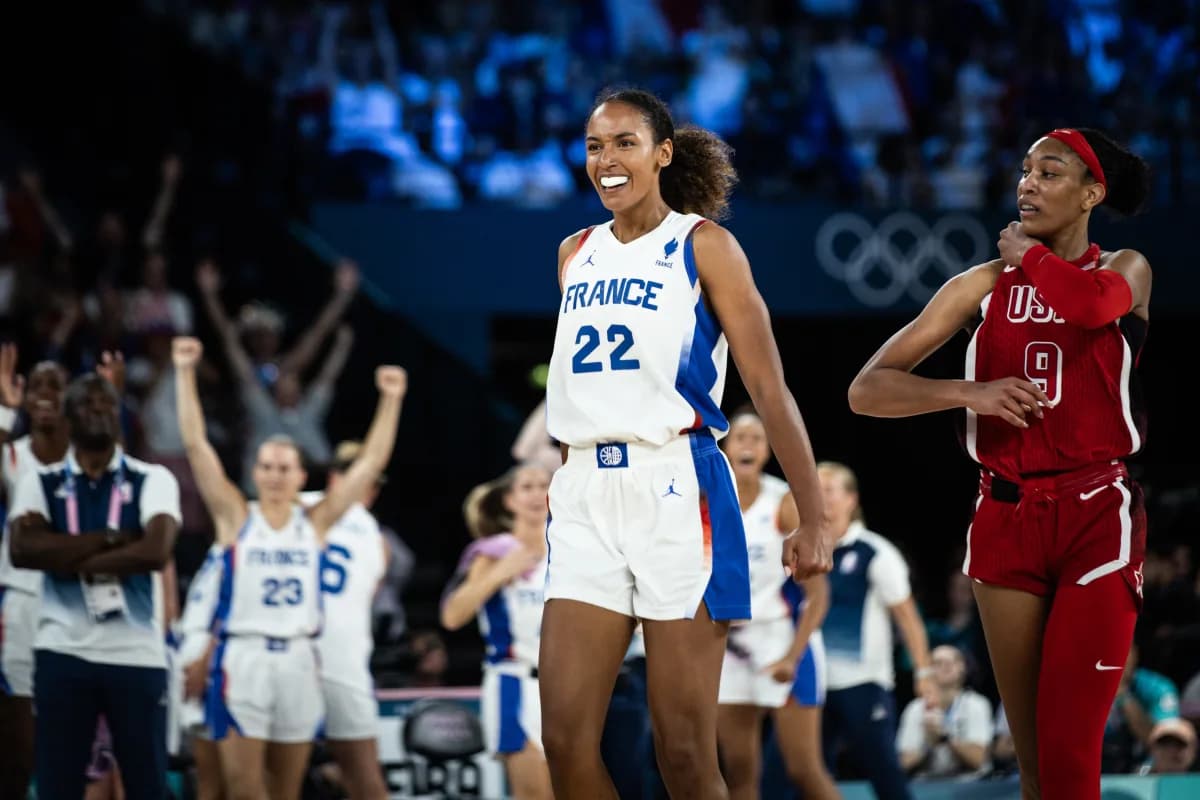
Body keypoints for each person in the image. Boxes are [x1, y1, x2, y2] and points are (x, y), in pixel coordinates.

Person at [538, 87, 830, 800]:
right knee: (566, 742)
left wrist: (814, 515)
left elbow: (768, 386)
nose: (606, 160)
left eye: (625, 143)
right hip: (581, 490)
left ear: (663, 153)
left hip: (678, 488)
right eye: (594, 146)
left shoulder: (705, 245)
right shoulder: (574, 252)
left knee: (685, 751)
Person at [848, 127, 1152, 799]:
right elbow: (866, 390)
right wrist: (968, 391)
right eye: (1025, 171)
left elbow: (1088, 305)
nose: (1028, 184)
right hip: (1005, 513)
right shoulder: (980, 286)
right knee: (1036, 764)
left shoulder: (1124, 269)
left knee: (1072, 755)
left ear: (1091, 193)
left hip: (1096, 514)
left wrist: (1026, 256)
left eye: (1049, 173)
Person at [172, 336, 405, 800]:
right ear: (254, 472)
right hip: (244, 658)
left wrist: (391, 399)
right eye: (267, 466)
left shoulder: (315, 522)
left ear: (302, 476)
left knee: (285, 790)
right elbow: (197, 445)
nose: (275, 474)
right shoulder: (237, 517)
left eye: (284, 467)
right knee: (244, 790)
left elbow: (371, 463)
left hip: (300, 658)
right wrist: (183, 373)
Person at [9, 372, 182, 800]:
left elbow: (155, 552)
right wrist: (110, 539)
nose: (100, 411)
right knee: (57, 787)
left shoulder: (153, 478)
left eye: (107, 402)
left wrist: (66, 557)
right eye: (87, 404)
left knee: (147, 787)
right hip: (63, 651)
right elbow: (23, 551)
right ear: (68, 419)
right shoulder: (41, 481)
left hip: (136, 654)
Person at [715, 410, 838, 800]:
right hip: (731, 647)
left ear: (767, 452)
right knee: (738, 775)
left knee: (803, 770)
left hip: (784, 639)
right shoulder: (707, 498)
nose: (748, 445)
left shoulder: (781, 501)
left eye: (757, 439)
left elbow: (818, 595)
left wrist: (792, 656)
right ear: (725, 445)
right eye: (741, 437)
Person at [818, 461, 931, 800]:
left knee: (884, 772)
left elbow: (907, 616)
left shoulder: (875, 552)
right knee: (797, 773)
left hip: (863, 682)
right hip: (812, 682)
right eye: (814, 489)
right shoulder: (804, 550)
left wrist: (923, 669)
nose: (820, 497)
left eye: (829, 490)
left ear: (851, 499)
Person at [441, 463, 553, 800]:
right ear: (509, 500)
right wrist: (501, 572)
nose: (536, 494)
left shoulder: (570, 549)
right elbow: (452, 615)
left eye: (543, 485)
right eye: (527, 487)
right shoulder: (493, 552)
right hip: (515, 682)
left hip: (566, 686)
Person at [301, 440, 391, 800]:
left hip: (334, 654)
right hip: (316, 653)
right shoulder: (373, 536)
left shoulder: (300, 505)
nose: (367, 488)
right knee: (362, 777)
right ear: (335, 478)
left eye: (372, 482)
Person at [0, 347, 70, 800]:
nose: (44, 394)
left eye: (54, 386)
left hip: (74, 604)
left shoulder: (91, 457)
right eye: (36, 386)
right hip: (21, 600)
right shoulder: (12, 456)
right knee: (19, 744)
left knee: (72, 743)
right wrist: (3, 410)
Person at [177, 542, 228, 800]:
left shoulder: (248, 540)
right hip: (197, 658)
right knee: (209, 782)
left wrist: (206, 660)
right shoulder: (219, 546)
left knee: (235, 784)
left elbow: (235, 609)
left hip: (220, 668)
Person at [896, 645, 994, 778]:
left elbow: (977, 759)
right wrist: (928, 745)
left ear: (962, 668)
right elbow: (903, 764)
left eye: (951, 662)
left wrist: (945, 737)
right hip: (926, 783)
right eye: (937, 663)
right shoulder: (915, 708)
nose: (945, 666)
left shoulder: (977, 704)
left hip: (969, 784)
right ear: (928, 670)